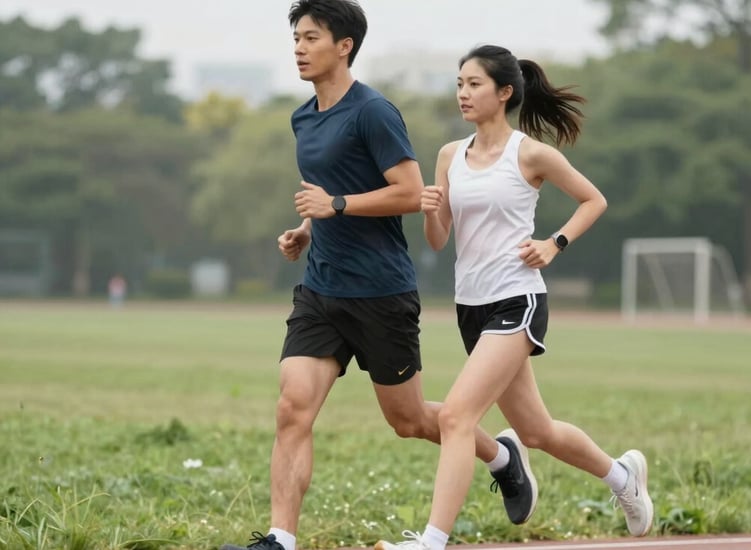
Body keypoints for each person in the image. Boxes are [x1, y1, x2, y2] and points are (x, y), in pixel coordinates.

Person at [219, 7, 537, 550]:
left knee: (409, 420)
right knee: (292, 406)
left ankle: (503, 458)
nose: (298, 47)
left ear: (344, 46)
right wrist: (306, 228)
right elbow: (328, 193)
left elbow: (412, 193)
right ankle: (279, 539)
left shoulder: (373, 112)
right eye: (295, 37)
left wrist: (335, 205)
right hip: (321, 290)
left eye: (311, 37)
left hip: (380, 291)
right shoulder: (303, 117)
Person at [375, 45, 654, 550]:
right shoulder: (448, 156)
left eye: (474, 84)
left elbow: (594, 200)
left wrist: (554, 243)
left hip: (517, 299)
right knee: (536, 431)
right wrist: (431, 210)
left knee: (459, 416)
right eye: (459, 83)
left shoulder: (530, 153)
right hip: (471, 306)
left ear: (504, 93)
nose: (463, 92)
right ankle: (622, 477)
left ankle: (431, 541)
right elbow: (439, 241)